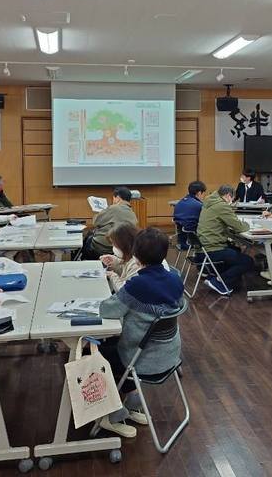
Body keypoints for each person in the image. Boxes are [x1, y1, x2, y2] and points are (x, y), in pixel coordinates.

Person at [98, 228, 183, 438]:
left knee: (96, 350)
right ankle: (133, 399)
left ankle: (110, 412)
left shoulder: (138, 285)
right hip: (170, 355)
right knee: (117, 346)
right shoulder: (175, 278)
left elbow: (107, 310)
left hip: (142, 358)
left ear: (135, 255)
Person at [197, 184, 255, 294]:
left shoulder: (209, 202)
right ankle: (219, 281)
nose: (232, 202)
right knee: (248, 261)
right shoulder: (221, 206)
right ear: (228, 195)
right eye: (232, 199)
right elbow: (239, 227)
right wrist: (248, 224)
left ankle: (221, 277)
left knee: (235, 249)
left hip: (203, 247)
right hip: (212, 249)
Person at [87, 186, 138, 259]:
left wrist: (101, 212)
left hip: (104, 248)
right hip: (122, 249)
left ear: (118, 198)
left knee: (88, 239)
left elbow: (95, 222)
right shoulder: (133, 214)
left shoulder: (114, 208)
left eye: (113, 198)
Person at [100, 223, 142, 292]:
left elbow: (124, 291)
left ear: (125, 245)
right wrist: (114, 263)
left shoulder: (136, 263)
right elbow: (125, 272)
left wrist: (112, 276)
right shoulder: (130, 258)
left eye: (115, 244)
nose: (113, 247)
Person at [173, 180, 207, 249]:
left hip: (182, 240)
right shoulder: (199, 205)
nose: (203, 197)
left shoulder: (179, 203)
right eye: (203, 194)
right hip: (194, 240)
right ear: (199, 193)